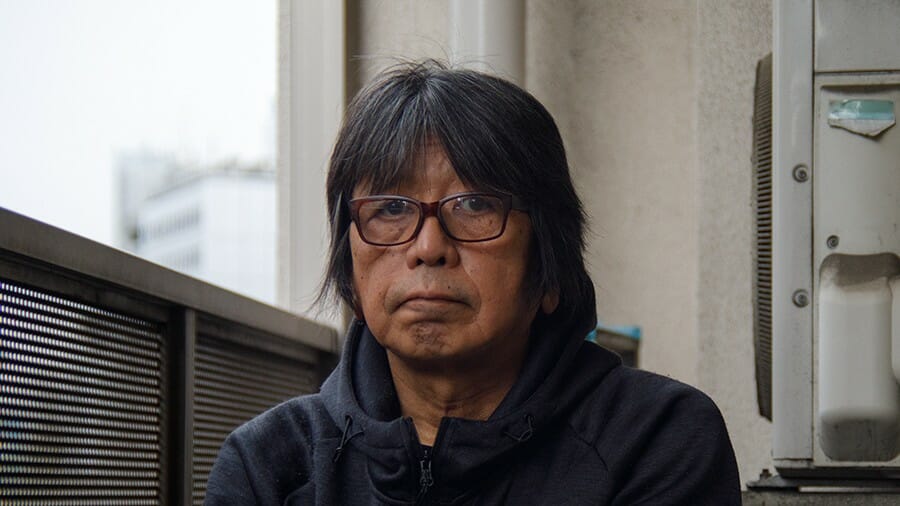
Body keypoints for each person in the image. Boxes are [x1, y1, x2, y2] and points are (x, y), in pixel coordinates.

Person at [205, 60, 740, 505]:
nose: (428, 246)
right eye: (390, 208)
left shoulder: (655, 438)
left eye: (475, 205)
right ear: (351, 271)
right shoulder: (271, 466)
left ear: (549, 265)